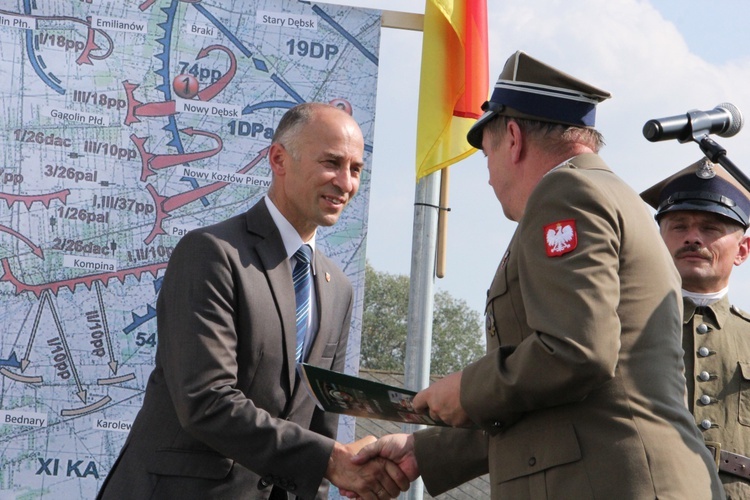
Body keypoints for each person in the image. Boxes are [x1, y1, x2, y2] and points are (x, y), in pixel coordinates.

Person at [348, 51, 724, 499]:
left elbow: (576, 351)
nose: (487, 177)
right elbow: (563, 400)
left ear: (512, 137)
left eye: (485, 154)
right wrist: (422, 452)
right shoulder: (610, 196)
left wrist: (467, 389)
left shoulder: (566, 192)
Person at [97, 102, 408, 500]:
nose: (345, 183)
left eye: (356, 169)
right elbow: (207, 400)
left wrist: (344, 471)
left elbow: (319, 420)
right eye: (332, 162)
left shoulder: (338, 288)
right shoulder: (212, 253)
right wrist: (331, 460)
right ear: (279, 159)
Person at [641, 158, 750, 498]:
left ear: (743, 250)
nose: (693, 238)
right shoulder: (620, 326)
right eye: (679, 227)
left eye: (710, 228)